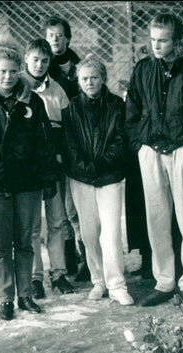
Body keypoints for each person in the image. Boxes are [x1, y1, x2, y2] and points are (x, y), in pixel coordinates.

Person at [0, 34, 62, 321]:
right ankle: (5, 297)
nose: (7, 76)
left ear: (20, 71)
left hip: (27, 183)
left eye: (12, 71)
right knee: (1, 247)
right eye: (2, 71)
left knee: (26, 243)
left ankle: (26, 294)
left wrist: (48, 179)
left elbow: (44, 144)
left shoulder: (32, 101)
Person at [125, 13, 183, 306]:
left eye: (163, 40)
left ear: (177, 40)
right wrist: (140, 145)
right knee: (156, 219)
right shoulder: (143, 69)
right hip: (151, 151)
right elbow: (131, 111)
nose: (156, 45)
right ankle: (164, 281)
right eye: (153, 39)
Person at [63, 57, 134, 305]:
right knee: (89, 233)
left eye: (94, 77)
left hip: (109, 177)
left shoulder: (116, 105)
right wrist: (84, 167)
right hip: (81, 179)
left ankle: (116, 284)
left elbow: (120, 140)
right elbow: (70, 145)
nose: (89, 82)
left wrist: (99, 164)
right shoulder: (72, 107)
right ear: (78, 80)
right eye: (84, 78)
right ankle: (98, 281)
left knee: (111, 232)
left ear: (103, 78)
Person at [19, 38, 76, 297]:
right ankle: (35, 278)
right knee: (31, 227)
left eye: (44, 60)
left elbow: (67, 128)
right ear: (26, 59)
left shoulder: (57, 90)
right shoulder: (16, 86)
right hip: (28, 170)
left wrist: (62, 156)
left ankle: (59, 274)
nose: (40, 65)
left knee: (57, 222)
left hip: (53, 167)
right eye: (35, 59)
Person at [44, 16, 88, 282]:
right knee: (58, 206)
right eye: (51, 35)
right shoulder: (42, 68)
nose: (55, 40)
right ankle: (68, 259)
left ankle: (86, 259)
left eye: (60, 35)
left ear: (68, 39)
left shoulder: (78, 65)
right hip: (53, 144)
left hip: (76, 140)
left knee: (75, 205)